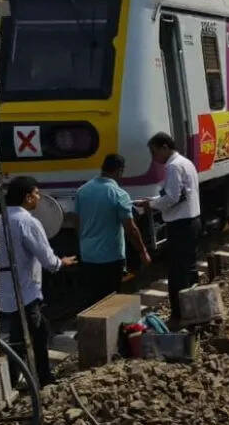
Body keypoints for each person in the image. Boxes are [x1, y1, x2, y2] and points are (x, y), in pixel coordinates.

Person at [1, 177, 77, 388]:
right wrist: (61, 263)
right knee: (38, 334)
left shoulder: (1, 219)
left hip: (6, 290)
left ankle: (14, 379)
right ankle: (43, 379)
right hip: (25, 290)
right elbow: (47, 259)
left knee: (20, 334)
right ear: (27, 197)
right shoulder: (28, 222)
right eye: (36, 194)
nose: (38, 198)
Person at [138, 133, 201, 326]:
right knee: (189, 269)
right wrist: (155, 201)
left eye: (154, 152)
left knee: (177, 273)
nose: (154, 157)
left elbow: (173, 197)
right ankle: (194, 311)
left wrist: (151, 205)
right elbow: (179, 195)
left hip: (181, 225)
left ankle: (179, 316)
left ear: (165, 147)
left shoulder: (173, 166)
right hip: (192, 221)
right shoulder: (186, 162)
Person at [73, 154, 150, 307]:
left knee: (94, 296)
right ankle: (109, 328)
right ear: (120, 171)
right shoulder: (119, 194)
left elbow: (77, 223)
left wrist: (83, 245)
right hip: (110, 257)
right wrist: (142, 251)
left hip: (88, 255)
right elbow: (131, 229)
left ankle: (93, 325)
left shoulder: (82, 191)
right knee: (110, 298)